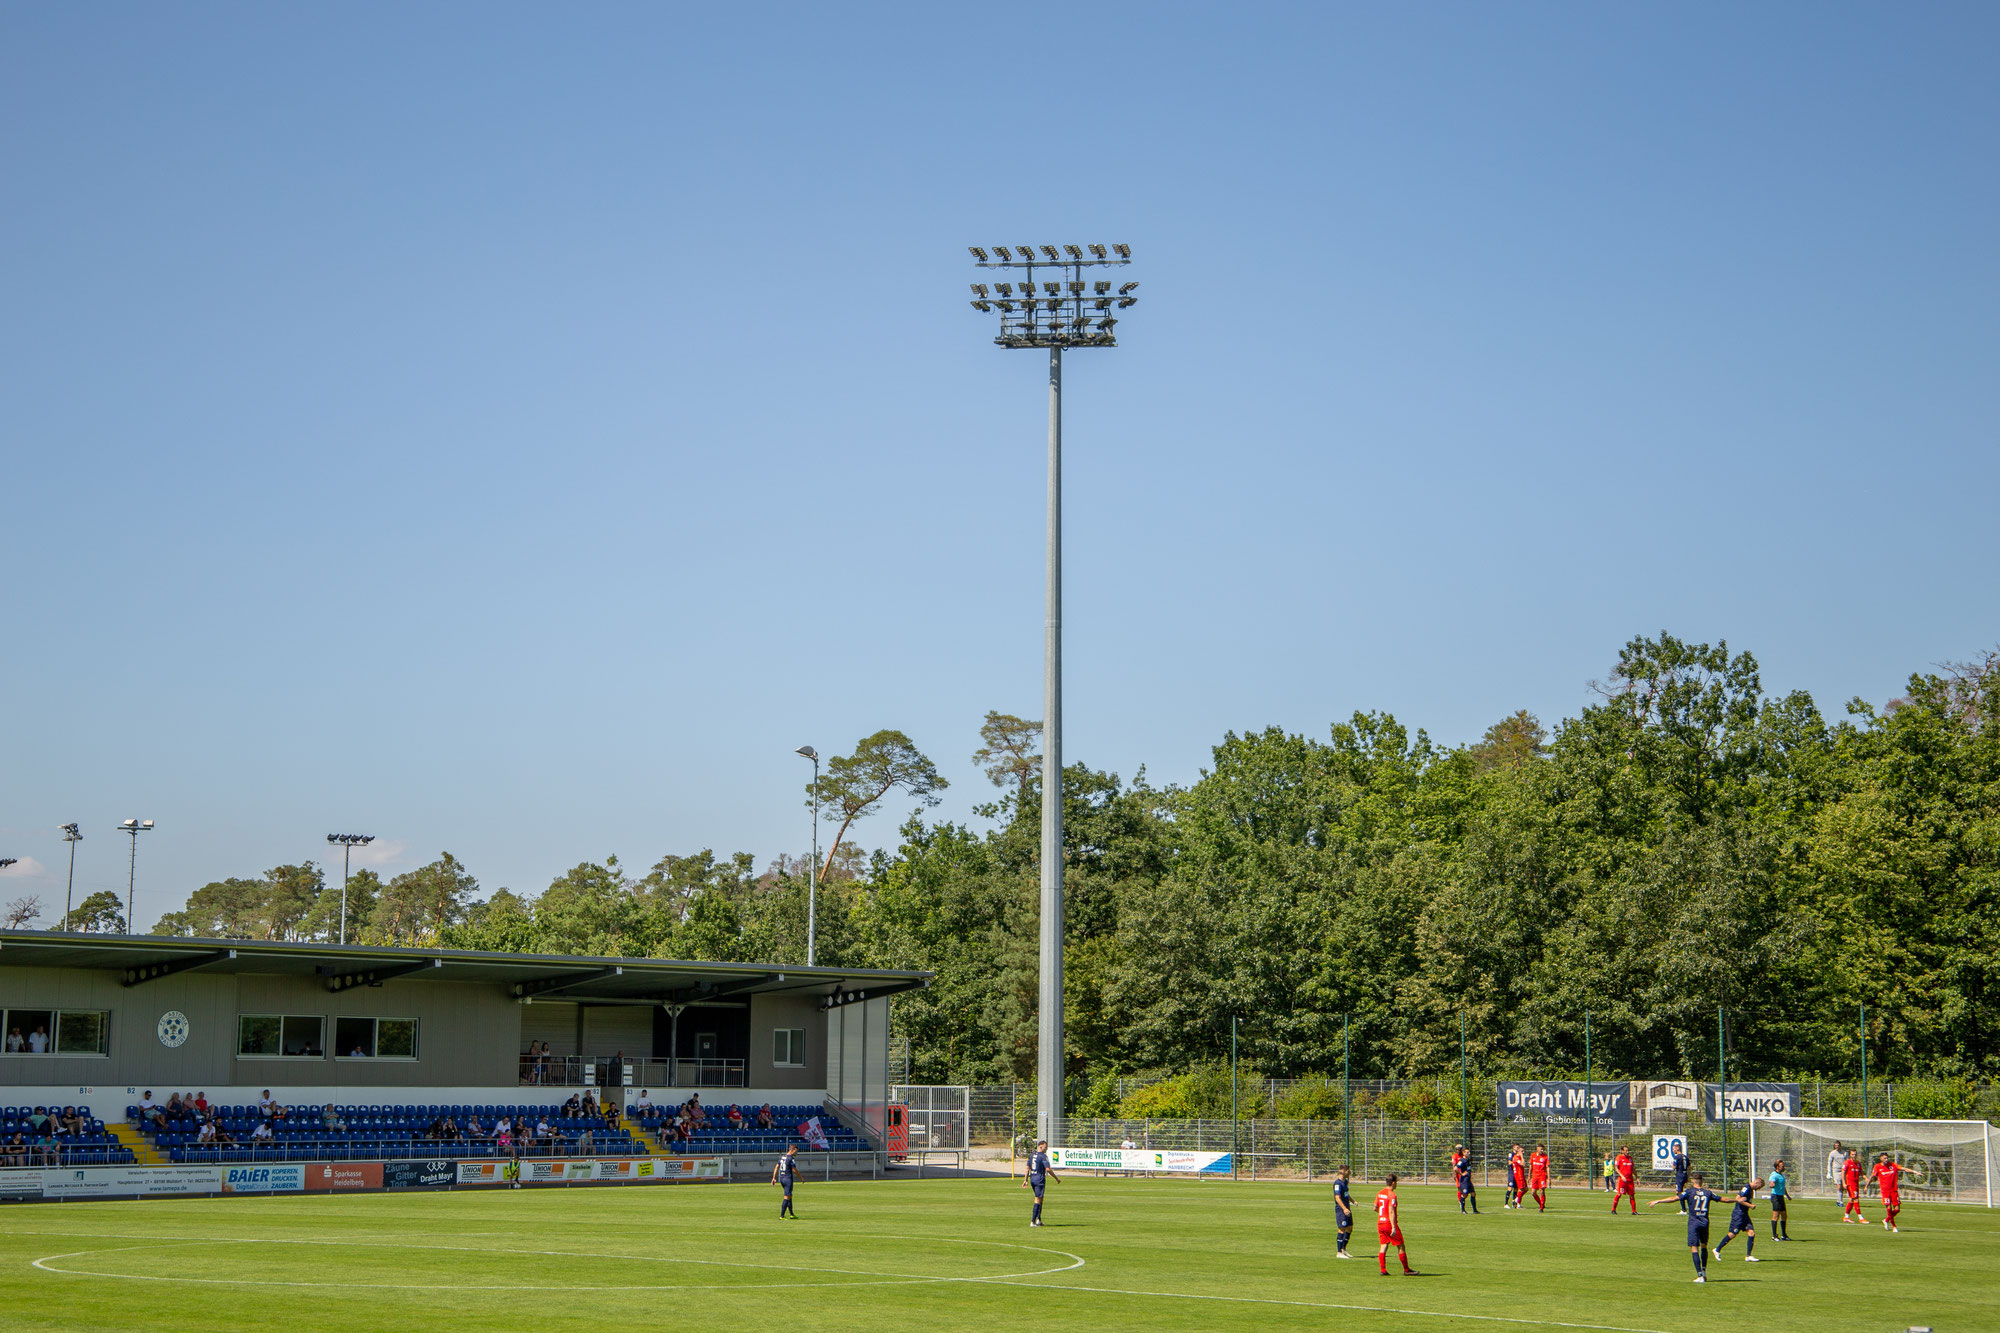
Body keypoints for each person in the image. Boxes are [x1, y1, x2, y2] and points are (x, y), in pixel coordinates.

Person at [1651, 1169, 1724, 1283]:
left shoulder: (1689, 1192)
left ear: (1692, 1181)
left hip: (1694, 1222)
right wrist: (1737, 1200)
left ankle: (1700, 1275)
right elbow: (1723, 1199)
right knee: (1704, 1246)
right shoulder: (1708, 1192)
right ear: (1702, 1182)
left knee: (1694, 1247)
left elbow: (1674, 1198)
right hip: (1704, 1222)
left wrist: (1658, 1201)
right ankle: (1704, 1271)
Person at [1713, 1177, 1762, 1263]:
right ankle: (1717, 1250)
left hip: (1745, 1215)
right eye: (1759, 1187)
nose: (1759, 1189)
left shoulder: (1750, 1190)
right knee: (1732, 1234)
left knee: (1751, 1232)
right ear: (1757, 1183)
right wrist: (1750, 1206)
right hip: (1738, 1215)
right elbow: (1738, 1198)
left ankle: (1748, 1256)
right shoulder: (1746, 1188)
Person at [1375, 1173, 1415, 1275]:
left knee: (1383, 1245)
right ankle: (1406, 1270)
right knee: (1401, 1246)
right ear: (1393, 1183)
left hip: (1380, 1223)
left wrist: (1383, 1214)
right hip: (1389, 1223)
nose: (1397, 1184)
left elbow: (1375, 1207)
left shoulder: (1380, 1193)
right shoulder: (1392, 1195)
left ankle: (1383, 1270)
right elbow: (1391, 1211)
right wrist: (1393, 1227)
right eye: (1396, 1182)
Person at [1873, 1153, 1922, 1233]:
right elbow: (1873, 1176)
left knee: (1897, 1209)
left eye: (1887, 1158)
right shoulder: (1877, 1167)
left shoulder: (1893, 1165)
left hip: (1894, 1190)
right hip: (1885, 1191)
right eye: (1884, 1158)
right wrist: (1867, 1184)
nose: (1886, 1159)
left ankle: (1886, 1220)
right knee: (1889, 1209)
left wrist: (1915, 1172)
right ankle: (1894, 1226)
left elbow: (1904, 1169)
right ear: (1881, 1159)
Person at [1023, 1139, 1059, 1226]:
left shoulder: (1031, 1155)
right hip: (1040, 1180)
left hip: (1032, 1179)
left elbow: (1027, 1168)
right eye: (1045, 1147)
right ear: (1040, 1146)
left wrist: (1025, 1180)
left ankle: (1039, 1219)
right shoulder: (1043, 1156)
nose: (1046, 1149)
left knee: (1040, 1198)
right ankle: (1032, 1222)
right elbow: (1048, 1169)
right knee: (1037, 1199)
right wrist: (1056, 1178)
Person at [1332, 1164, 1355, 1259]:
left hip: (1347, 1208)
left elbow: (1346, 1194)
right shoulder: (1337, 1184)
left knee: (1350, 1228)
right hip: (1341, 1210)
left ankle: (1343, 1249)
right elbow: (1337, 1197)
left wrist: (1353, 1201)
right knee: (1342, 1228)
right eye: (1347, 1170)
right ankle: (1338, 1252)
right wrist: (1344, 1208)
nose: (1349, 1172)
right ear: (1342, 1171)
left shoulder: (1345, 1182)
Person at [773, 1144, 800, 1218]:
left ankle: (791, 1214)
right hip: (788, 1179)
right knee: (786, 1197)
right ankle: (782, 1216)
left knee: (789, 1196)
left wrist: (774, 1178)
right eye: (796, 1151)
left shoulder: (782, 1157)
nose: (796, 1153)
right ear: (792, 1150)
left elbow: (776, 1167)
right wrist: (801, 1178)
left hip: (782, 1178)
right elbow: (794, 1170)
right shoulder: (791, 1158)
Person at [1451, 1143, 1478, 1213]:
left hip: (1468, 1180)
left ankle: (1475, 1210)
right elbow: (1455, 1168)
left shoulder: (1467, 1160)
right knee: (1464, 1194)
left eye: (1469, 1152)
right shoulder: (1462, 1161)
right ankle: (1463, 1210)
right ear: (1463, 1153)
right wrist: (1461, 1174)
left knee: (1473, 1193)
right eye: (1467, 1152)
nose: (1469, 1153)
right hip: (1464, 1181)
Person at [1842, 1148, 1867, 1223]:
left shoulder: (1858, 1163)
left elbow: (1861, 1172)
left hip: (1856, 1184)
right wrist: (1844, 1183)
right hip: (1850, 1184)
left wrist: (1865, 1178)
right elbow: (1843, 1172)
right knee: (1855, 1199)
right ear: (1850, 1155)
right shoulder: (1847, 1162)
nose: (1854, 1156)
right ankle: (1860, 1218)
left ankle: (1846, 1217)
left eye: (1855, 1154)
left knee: (1852, 1200)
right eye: (1852, 1154)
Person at [1768, 1158, 1791, 1240]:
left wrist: (1787, 1195)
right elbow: (1771, 1182)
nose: (1784, 1167)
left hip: (1781, 1197)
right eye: (1782, 1166)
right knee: (1775, 1216)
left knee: (1784, 1216)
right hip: (1776, 1197)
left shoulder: (1781, 1175)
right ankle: (1774, 1236)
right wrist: (1772, 1184)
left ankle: (1784, 1235)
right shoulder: (1774, 1175)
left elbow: (1782, 1187)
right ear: (1777, 1167)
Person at [1611, 1144, 1637, 1214]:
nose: (1627, 1152)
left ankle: (1634, 1211)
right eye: (1626, 1150)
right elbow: (1616, 1168)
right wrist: (1622, 1176)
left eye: (1628, 1150)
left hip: (1630, 1180)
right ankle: (1613, 1209)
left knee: (1632, 1195)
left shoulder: (1630, 1158)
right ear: (1622, 1151)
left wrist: (1637, 1177)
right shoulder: (1619, 1158)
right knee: (1619, 1194)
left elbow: (1633, 1168)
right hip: (1622, 1180)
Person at [1529, 1144, 1550, 1212]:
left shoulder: (1545, 1157)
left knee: (1542, 1191)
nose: (1542, 1150)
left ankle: (1541, 1208)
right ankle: (1541, 1204)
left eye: (1543, 1149)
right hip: (1535, 1176)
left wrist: (1549, 1178)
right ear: (1537, 1148)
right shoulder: (1533, 1155)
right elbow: (1531, 1166)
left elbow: (1547, 1168)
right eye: (1541, 1149)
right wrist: (1529, 1175)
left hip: (1542, 1176)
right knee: (1533, 1193)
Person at [1672, 1142, 1691, 1210]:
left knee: (1679, 1192)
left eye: (1673, 1149)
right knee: (1683, 1191)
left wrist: (1673, 1167)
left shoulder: (1677, 1157)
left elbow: (1674, 1166)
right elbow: (1689, 1168)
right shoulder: (1685, 1157)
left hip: (1679, 1175)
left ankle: (1684, 1209)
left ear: (1677, 1148)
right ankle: (1689, 1205)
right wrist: (1688, 1177)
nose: (1673, 1150)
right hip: (1685, 1174)